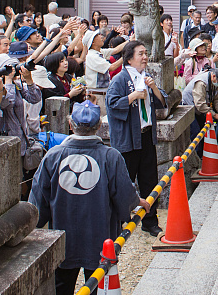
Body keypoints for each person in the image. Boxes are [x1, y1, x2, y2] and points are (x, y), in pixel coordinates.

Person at [29, 100, 145, 295]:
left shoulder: (53, 156)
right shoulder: (111, 156)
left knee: (61, 285)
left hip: (62, 237)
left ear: (70, 124)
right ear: (99, 126)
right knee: (97, 283)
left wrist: (35, 225)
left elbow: (38, 199)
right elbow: (125, 196)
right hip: (99, 237)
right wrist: (136, 203)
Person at [106, 41, 164, 237]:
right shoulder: (120, 79)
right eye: (141, 53)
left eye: (146, 53)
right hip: (128, 139)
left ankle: (150, 221)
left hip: (146, 136)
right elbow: (112, 104)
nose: (145, 57)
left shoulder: (146, 77)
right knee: (125, 181)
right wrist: (133, 96)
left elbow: (161, 101)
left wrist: (154, 88)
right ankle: (120, 222)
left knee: (150, 180)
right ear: (129, 58)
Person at [181, 65, 218, 157]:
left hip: (200, 109)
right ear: (214, 76)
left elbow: (217, 98)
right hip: (189, 106)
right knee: (196, 132)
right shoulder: (201, 82)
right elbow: (200, 104)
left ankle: (204, 154)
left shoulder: (214, 81)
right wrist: (215, 115)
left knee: (205, 129)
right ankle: (197, 157)